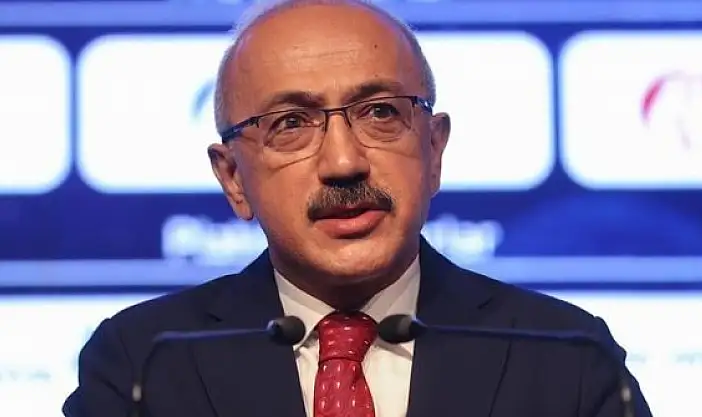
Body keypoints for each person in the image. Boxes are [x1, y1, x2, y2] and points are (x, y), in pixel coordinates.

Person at [62, 0, 653, 416]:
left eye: (380, 113)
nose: (344, 162)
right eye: (290, 124)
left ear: (434, 150)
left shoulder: (566, 356)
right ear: (233, 178)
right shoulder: (143, 364)